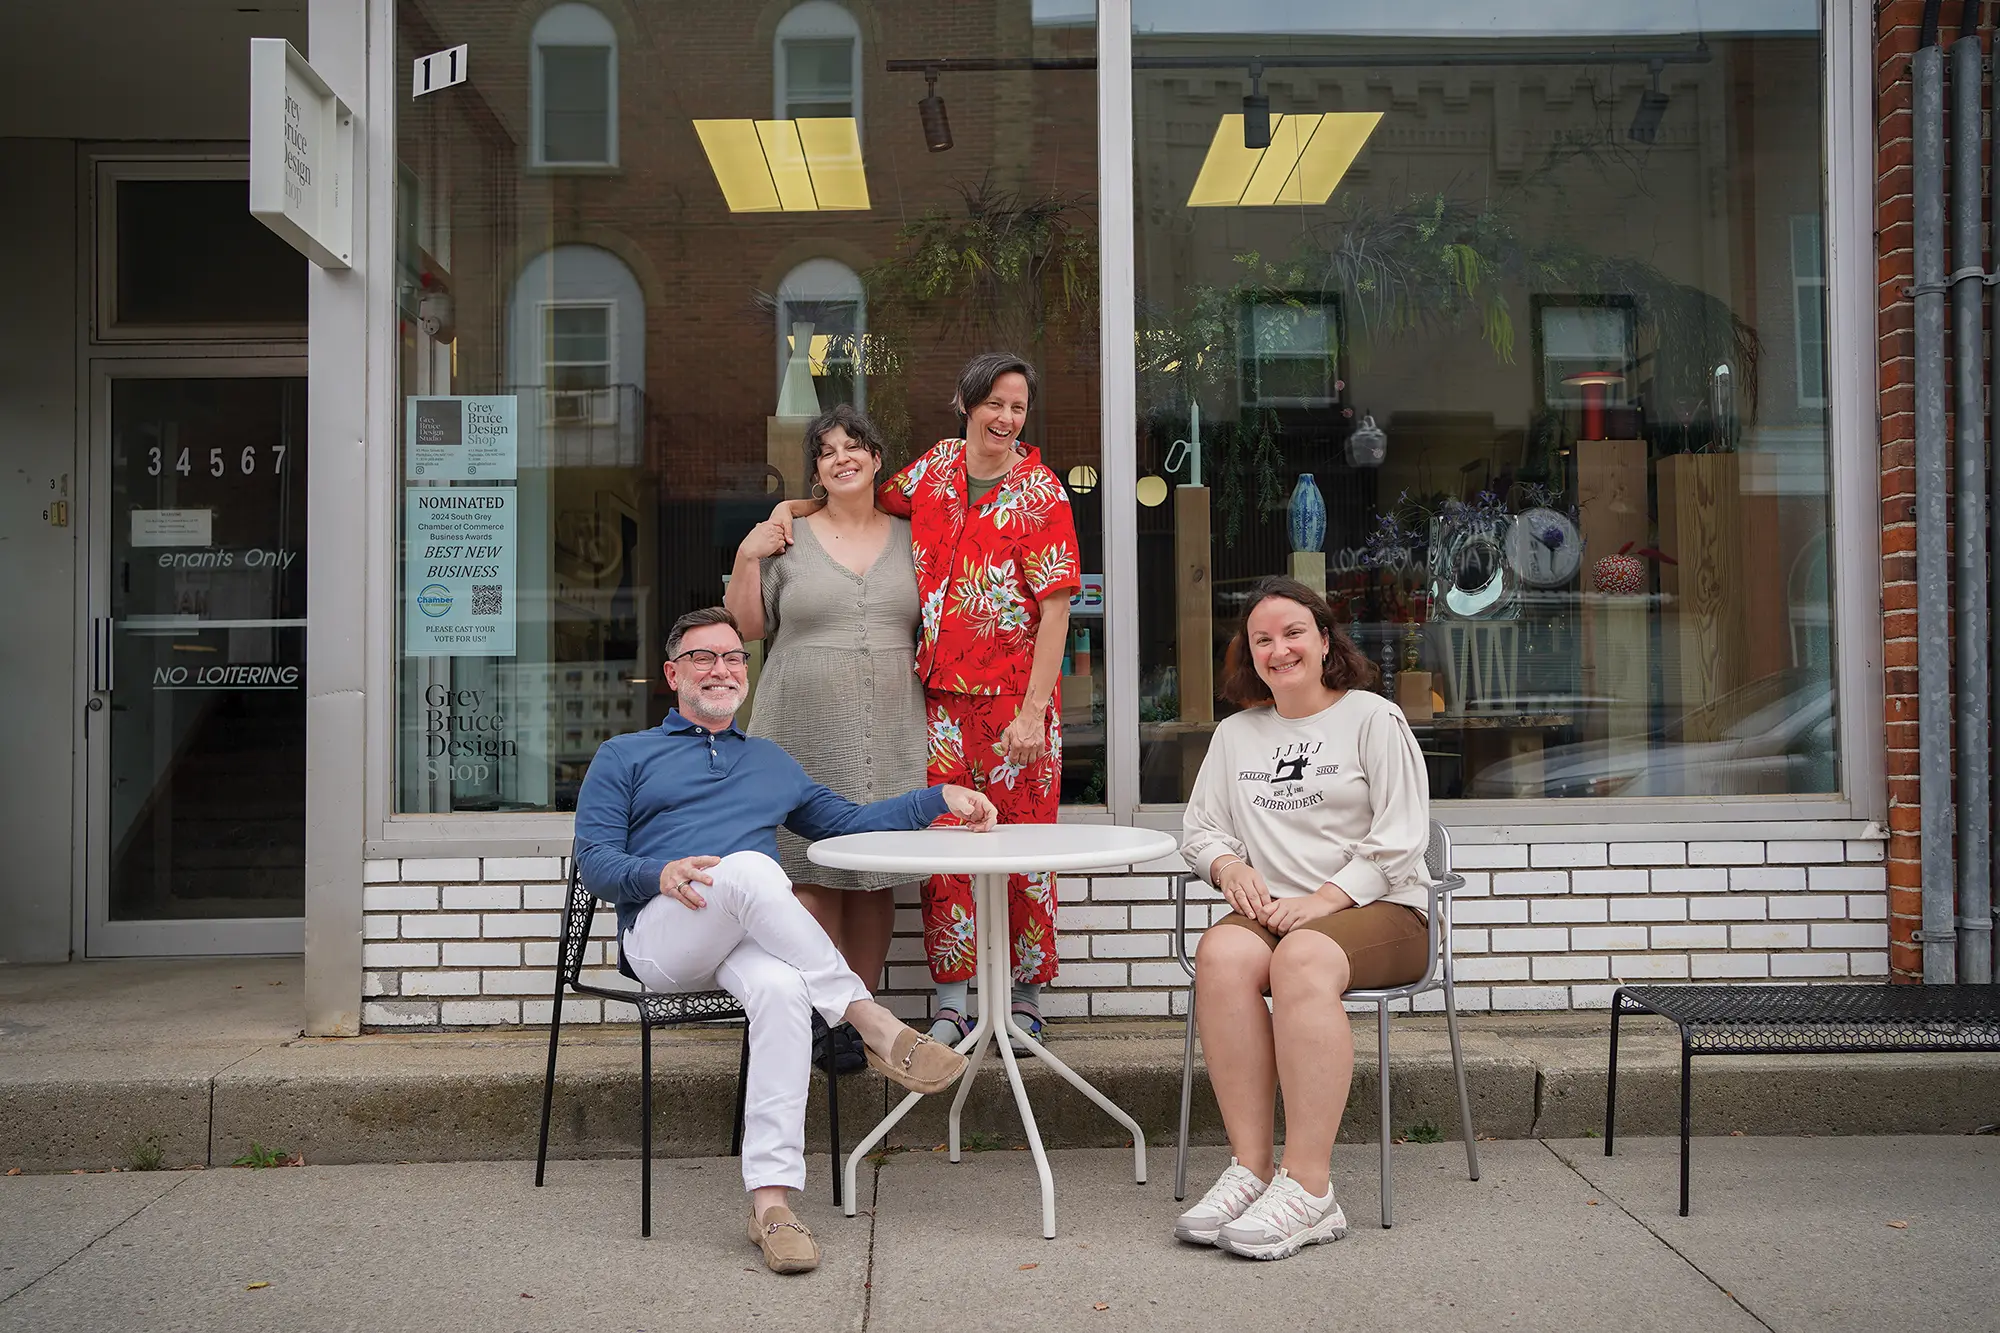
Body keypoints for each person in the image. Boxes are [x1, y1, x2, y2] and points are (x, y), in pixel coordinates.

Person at [573, 606, 997, 1276]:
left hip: (740, 934)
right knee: (749, 866)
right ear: (671, 673)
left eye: (734, 656)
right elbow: (592, 859)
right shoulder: (625, 755)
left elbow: (849, 821)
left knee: (780, 986)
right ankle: (870, 1018)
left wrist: (936, 797)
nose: (722, 667)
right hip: (662, 934)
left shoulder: (769, 761)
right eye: (704, 656)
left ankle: (771, 1204)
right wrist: (656, 871)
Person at [771, 354, 1079, 1051]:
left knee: (1027, 853)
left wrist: (1034, 711)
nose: (1005, 419)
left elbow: (1057, 610)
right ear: (965, 404)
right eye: (994, 404)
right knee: (941, 853)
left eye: (1018, 408)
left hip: (1015, 709)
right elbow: (860, 498)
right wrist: (788, 510)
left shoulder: (1042, 493)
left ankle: (1026, 997)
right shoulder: (934, 470)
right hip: (936, 703)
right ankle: (951, 1002)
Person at [1173, 577, 1433, 1261]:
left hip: (1381, 911)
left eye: (1293, 632)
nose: (1278, 648)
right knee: (1222, 954)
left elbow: (1404, 834)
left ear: (1324, 640)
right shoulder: (1237, 735)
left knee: (1302, 957)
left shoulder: (1373, 718)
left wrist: (1324, 898)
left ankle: (1311, 1189)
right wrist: (1229, 867)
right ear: (1248, 654)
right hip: (1278, 912)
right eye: (1262, 638)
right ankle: (1251, 1169)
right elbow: (1199, 829)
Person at [726, 405, 924, 1074]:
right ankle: (822, 1016)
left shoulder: (911, 531)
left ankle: (862, 1015)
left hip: (891, 726)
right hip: (799, 723)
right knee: (808, 871)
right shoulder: (787, 537)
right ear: (816, 469)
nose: (843, 457)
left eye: (855, 446)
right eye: (828, 450)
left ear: (876, 458)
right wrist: (745, 555)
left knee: (871, 876)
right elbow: (747, 626)